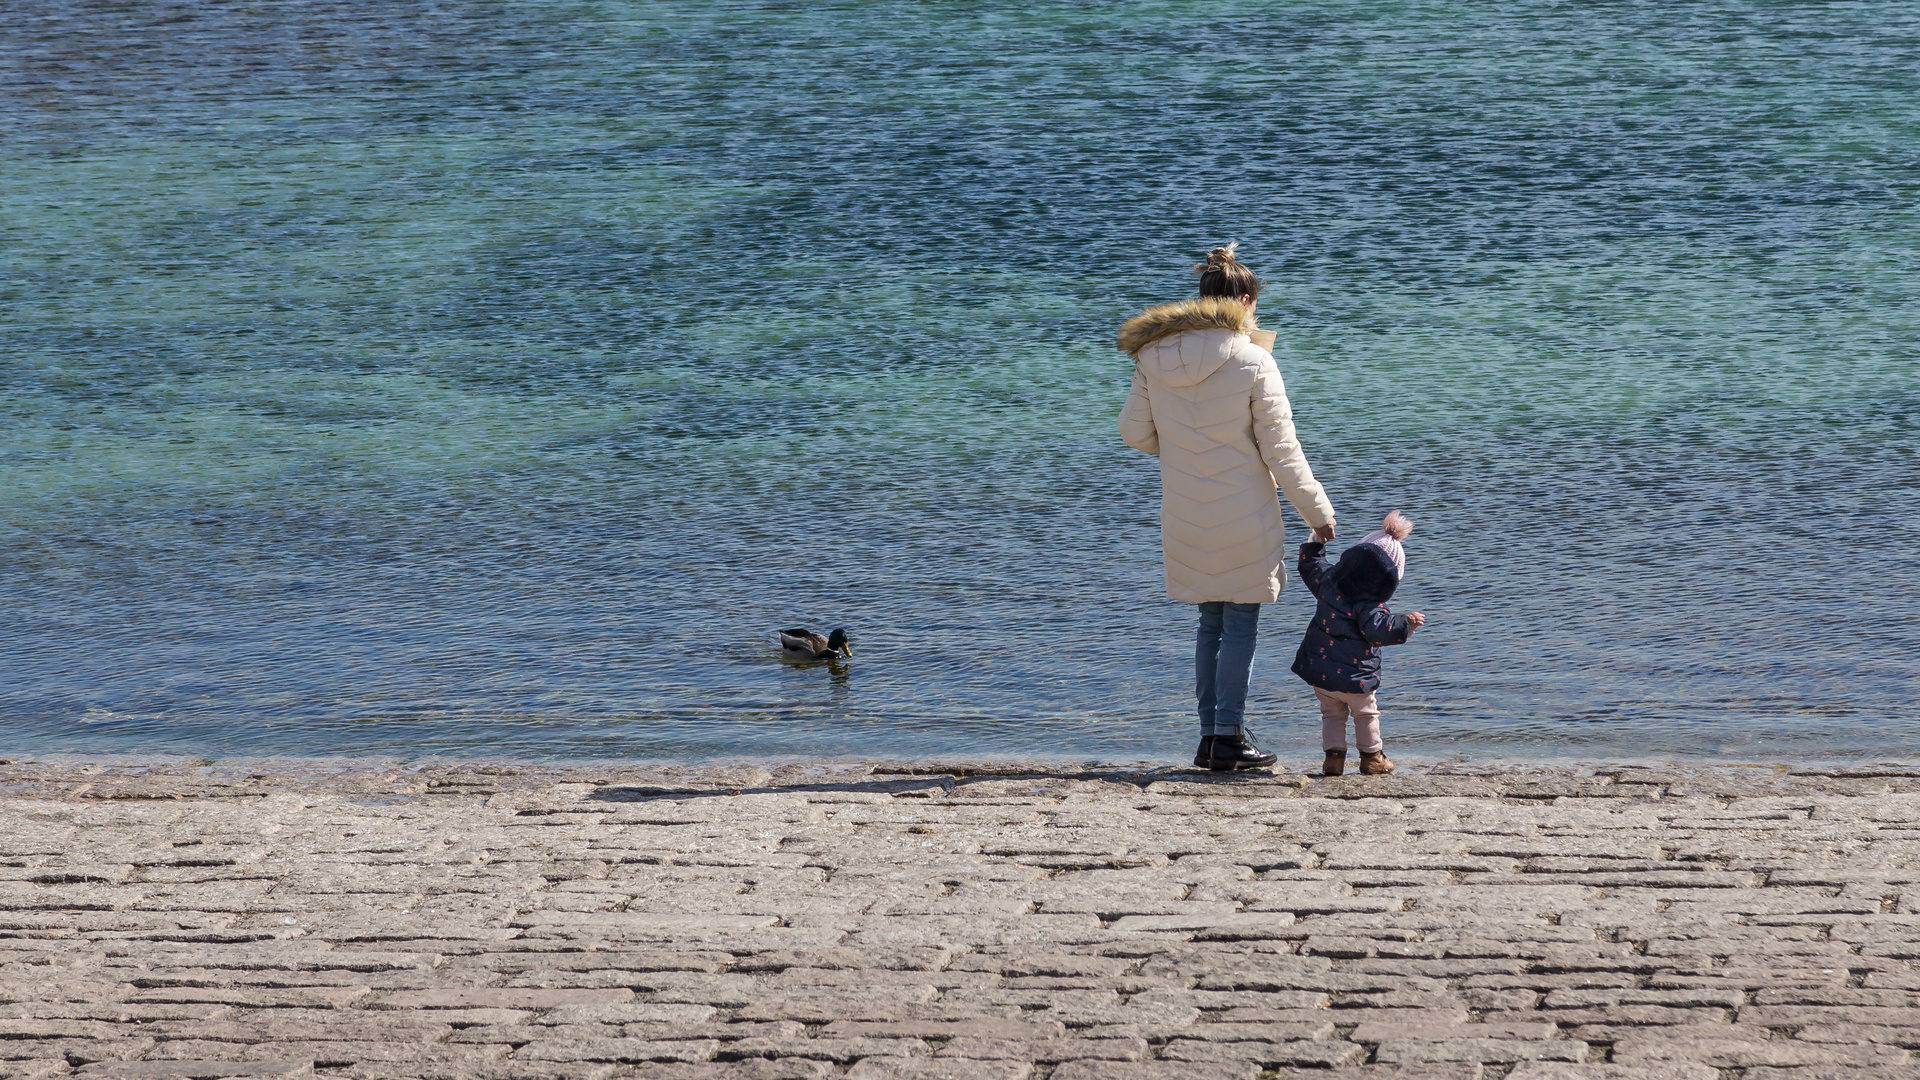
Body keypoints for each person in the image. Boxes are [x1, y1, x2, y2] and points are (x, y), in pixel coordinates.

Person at [1118, 244, 1337, 772]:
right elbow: (1282, 452)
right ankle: (1230, 735)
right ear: (1243, 301)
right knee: (1241, 623)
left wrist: (1183, 446)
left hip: (1185, 510)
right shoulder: (1255, 360)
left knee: (1209, 623)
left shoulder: (1154, 355)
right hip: (1244, 512)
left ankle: (1210, 736)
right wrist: (1318, 513)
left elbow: (1133, 432)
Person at [1292, 511, 1426, 776]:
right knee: (1365, 714)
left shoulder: (1328, 582)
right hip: (1356, 677)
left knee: (1331, 714)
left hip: (1321, 673)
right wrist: (1406, 624)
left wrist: (1317, 539)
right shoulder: (1369, 605)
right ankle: (1372, 757)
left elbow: (1310, 564)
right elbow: (1379, 632)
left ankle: (1333, 760)